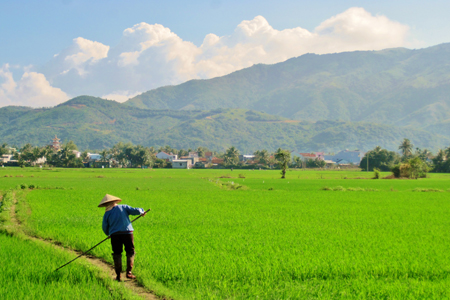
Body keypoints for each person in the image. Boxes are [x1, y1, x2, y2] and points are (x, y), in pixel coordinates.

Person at [98, 194, 146, 281]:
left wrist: (108, 234)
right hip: (127, 233)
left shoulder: (107, 213)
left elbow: (105, 226)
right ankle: (129, 273)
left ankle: (118, 275)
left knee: (117, 253)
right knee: (130, 251)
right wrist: (141, 211)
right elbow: (134, 210)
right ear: (115, 201)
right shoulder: (123, 207)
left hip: (115, 235)